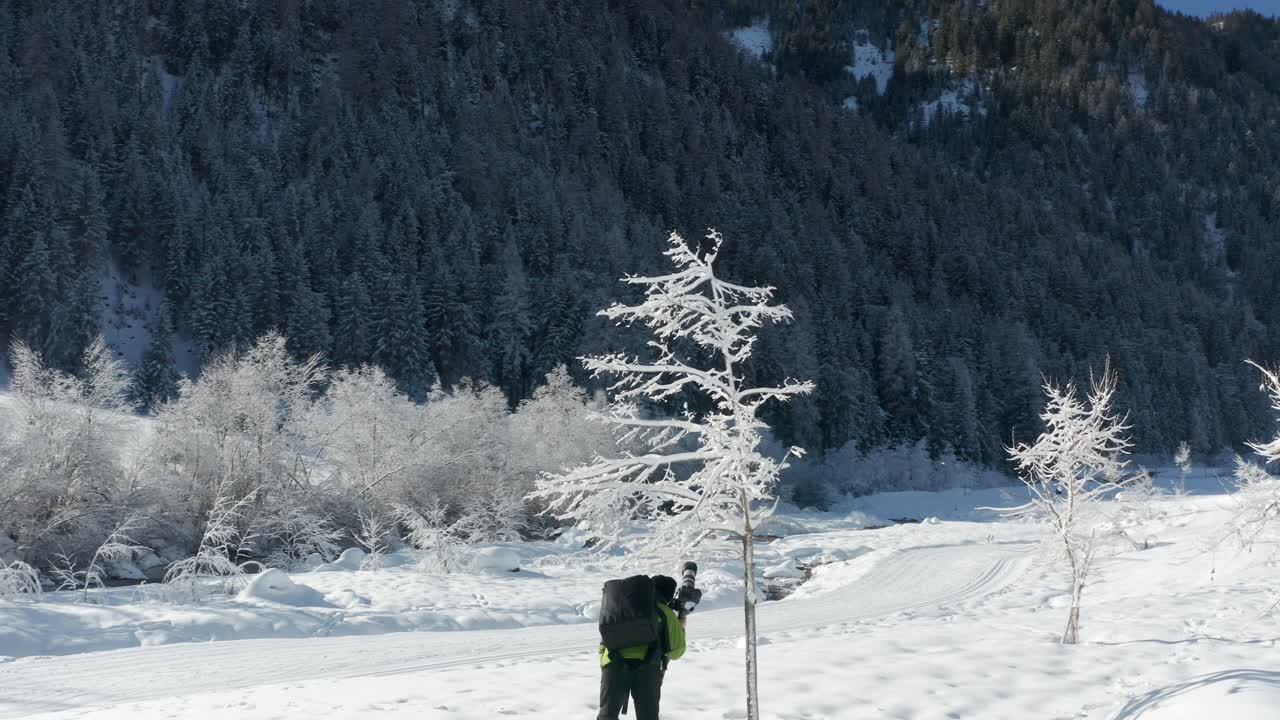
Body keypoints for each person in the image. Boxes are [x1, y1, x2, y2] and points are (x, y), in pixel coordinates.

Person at [597, 574, 685, 720]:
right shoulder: (665, 612)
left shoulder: (622, 608)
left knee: (607, 716)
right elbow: (677, 651)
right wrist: (681, 627)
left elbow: (603, 642)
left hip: (612, 664)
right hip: (647, 668)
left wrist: (605, 662)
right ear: (668, 596)